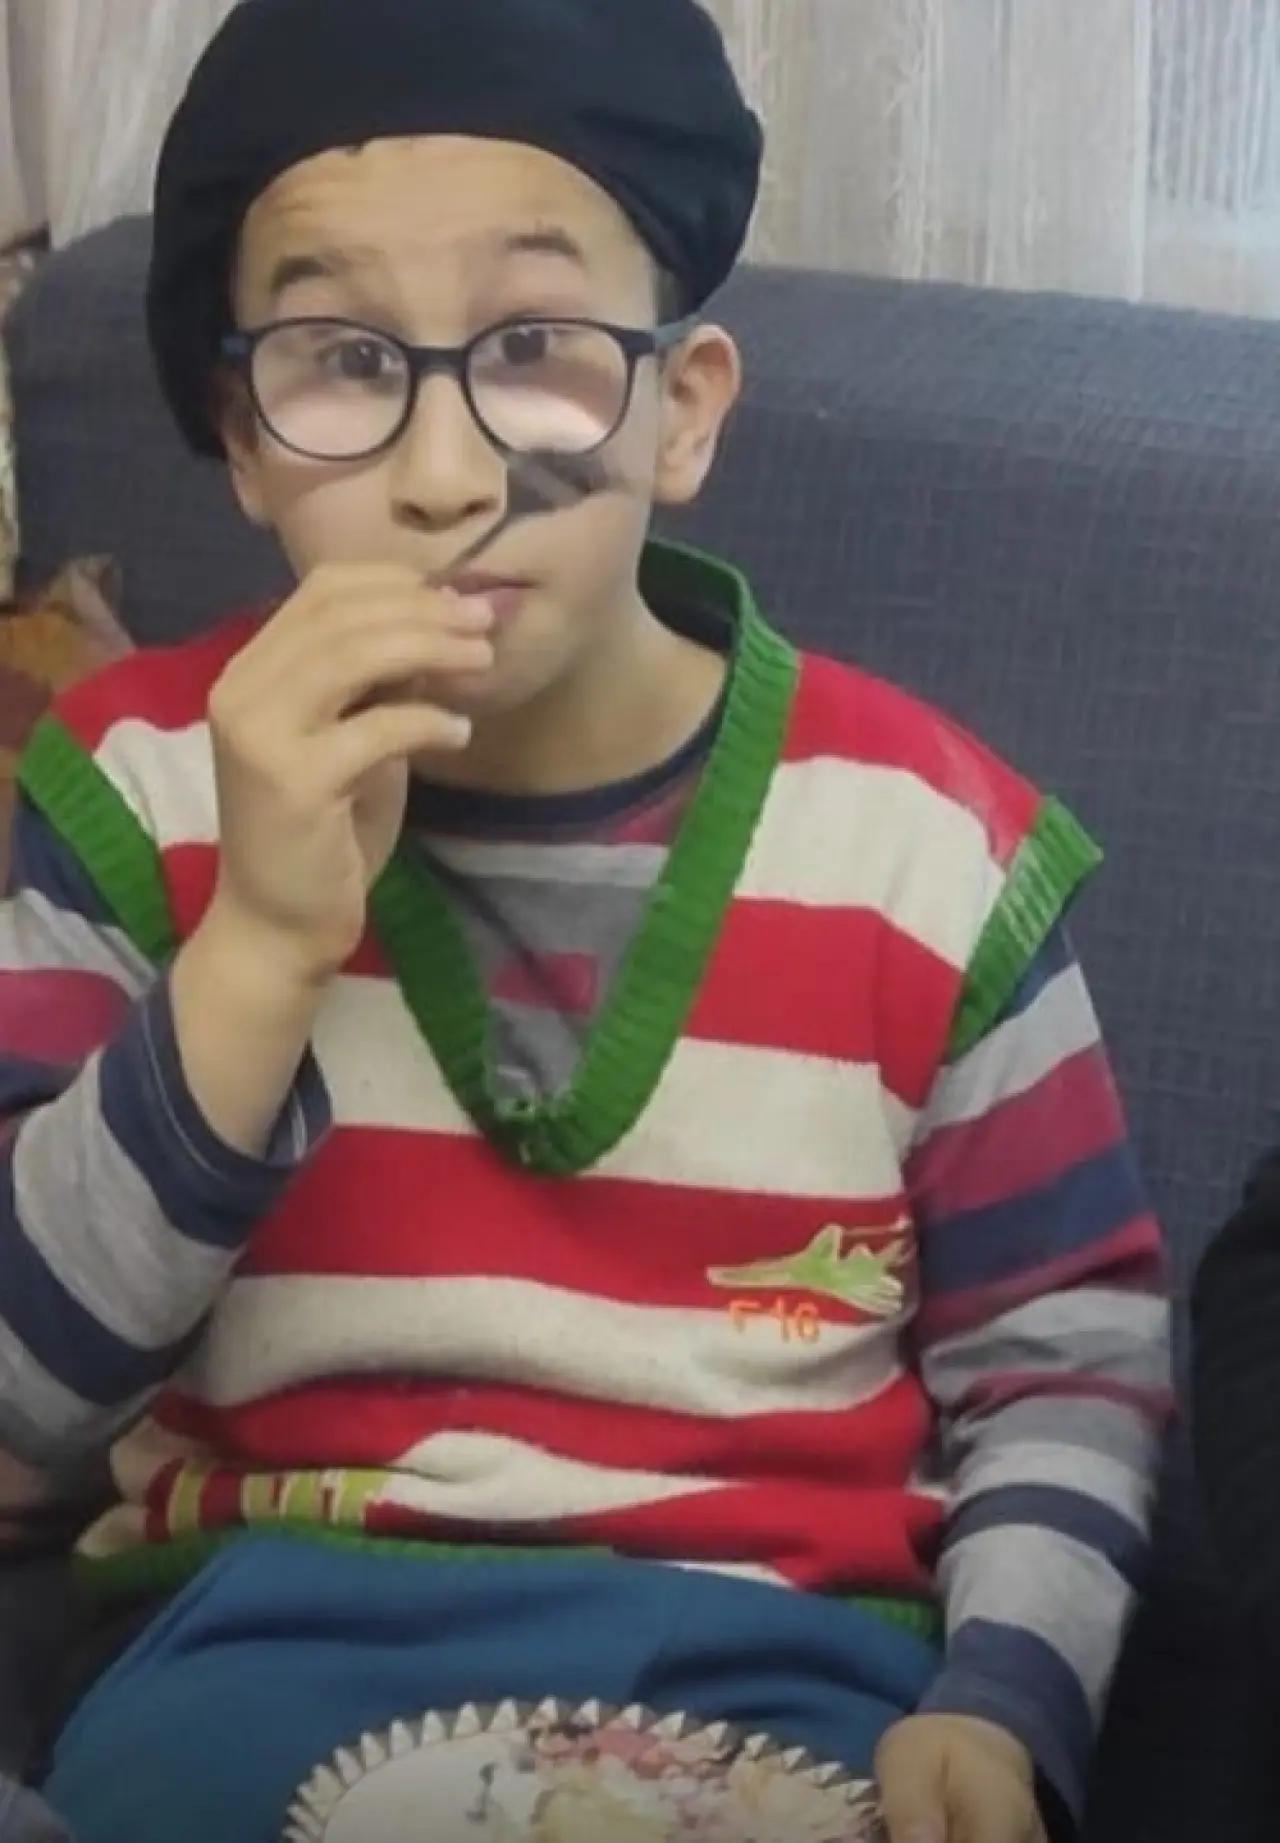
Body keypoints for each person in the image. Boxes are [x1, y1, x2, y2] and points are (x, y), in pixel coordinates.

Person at [0, 1, 1168, 1839]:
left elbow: (1063, 1365)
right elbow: (19, 1409)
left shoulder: (927, 843)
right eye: (341, 361)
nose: (447, 475)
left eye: (534, 349)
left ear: (681, 410)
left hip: (781, 1672)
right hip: (249, 1657)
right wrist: (255, 956)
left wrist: (1006, 1699)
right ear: (242, 438)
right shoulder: (135, 789)